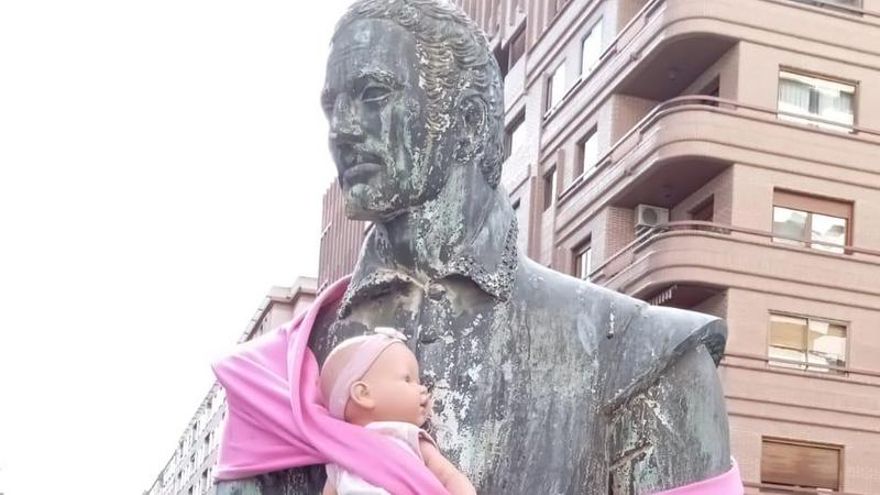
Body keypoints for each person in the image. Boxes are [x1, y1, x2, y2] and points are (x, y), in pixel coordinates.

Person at [319, 328, 476, 495]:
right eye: (408, 379)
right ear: (363, 394)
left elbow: (449, 477)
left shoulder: (408, 435)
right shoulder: (341, 452)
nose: (422, 388)